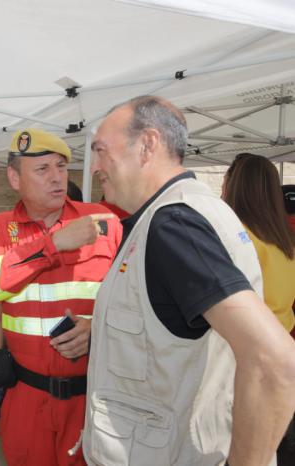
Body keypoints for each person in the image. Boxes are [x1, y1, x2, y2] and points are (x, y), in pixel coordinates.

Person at [83, 95, 295, 466]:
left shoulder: (173, 225)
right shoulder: (194, 210)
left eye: (102, 150)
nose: (95, 167)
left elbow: (273, 361)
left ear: (147, 144)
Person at [0, 128, 121, 466]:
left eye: (61, 167)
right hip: (26, 397)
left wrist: (97, 326)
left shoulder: (104, 222)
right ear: (14, 178)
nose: (56, 178)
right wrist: (53, 245)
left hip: (90, 398)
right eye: (43, 170)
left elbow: (136, 302)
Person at [223, 154, 295, 333]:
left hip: (253, 342)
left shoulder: (236, 235)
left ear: (235, 187)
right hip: (282, 337)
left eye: (225, 183)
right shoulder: (284, 237)